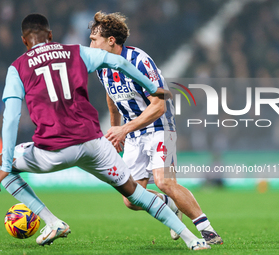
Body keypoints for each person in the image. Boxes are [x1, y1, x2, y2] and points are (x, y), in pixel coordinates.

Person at [0, 14, 210, 250]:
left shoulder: (17, 68)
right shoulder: (76, 51)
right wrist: (152, 88)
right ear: (51, 36)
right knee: (135, 193)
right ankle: (192, 239)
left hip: (53, 151)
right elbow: (120, 63)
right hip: (93, 143)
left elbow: (11, 117)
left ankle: (53, 222)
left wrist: (5, 168)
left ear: (24, 41)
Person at [89, 11, 223, 245]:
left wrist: (123, 129)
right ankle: (172, 205)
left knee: (164, 182)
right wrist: (115, 131)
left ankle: (208, 231)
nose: (90, 44)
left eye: (94, 39)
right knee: (131, 199)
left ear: (111, 40)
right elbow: (111, 99)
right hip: (132, 134)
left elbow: (159, 106)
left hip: (160, 126)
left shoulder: (140, 61)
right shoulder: (101, 66)